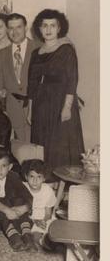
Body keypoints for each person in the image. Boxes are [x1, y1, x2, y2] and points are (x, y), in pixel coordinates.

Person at [28, 9, 84, 174]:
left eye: (53, 25)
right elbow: (32, 83)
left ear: (59, 28)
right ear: (39, 28)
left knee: (60, 143)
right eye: (44, 25)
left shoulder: (66, 49)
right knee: (43, 143)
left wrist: (67, 107)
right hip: (40, 103)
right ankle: (46, 182)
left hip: (61, 101)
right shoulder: (35, 53)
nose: (48, 29)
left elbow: (72, 80)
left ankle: (64, 186)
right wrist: (30, 109)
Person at [0, 13, 40, 142]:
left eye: (18, 27)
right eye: (11, 28)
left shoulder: (39, 48)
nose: (15, 32)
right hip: (12, 109)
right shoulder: (1, 54)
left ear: (25, 27)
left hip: (36, 106)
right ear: (7, 30)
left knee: (39, 148)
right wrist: (2, 97)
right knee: (19, 149)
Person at [0, 148, 36, 252]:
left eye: (3, 166)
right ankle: (13, 235)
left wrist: (24, 207)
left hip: (14, 210)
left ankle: (27, 234)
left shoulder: (13, 176)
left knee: (19, 200)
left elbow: (27, 194)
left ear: (10, 167)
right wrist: (7, 210)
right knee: (0, 205)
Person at [21, 159, 56, 249]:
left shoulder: (48, 190)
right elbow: (20, 210)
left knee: (54, 225)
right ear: (26, 177)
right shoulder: (22, 188)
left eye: (39, 177)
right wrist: (35, 221)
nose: (35, 181)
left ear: (44, 178)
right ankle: (42, 240)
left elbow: (48, 213)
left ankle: (51, 239)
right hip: (28, 218)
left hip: (43, 217)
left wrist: (44, 220)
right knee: (32, 231)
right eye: (32, 177)